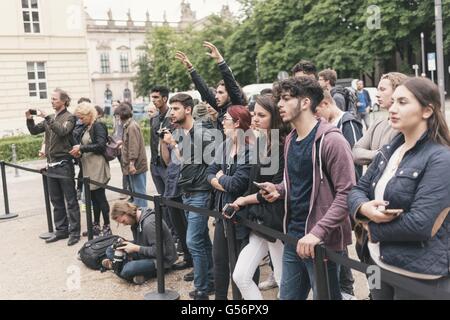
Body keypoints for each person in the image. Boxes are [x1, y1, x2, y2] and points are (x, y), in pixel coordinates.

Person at [347, 77, 450, 300]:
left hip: (417, 275)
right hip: (375, 263)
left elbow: (421, 224)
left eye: (402, 102)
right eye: (392, 102)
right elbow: (356, 190)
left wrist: (369, 229)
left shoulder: (441, 158)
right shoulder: (389, 150)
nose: (392, 108)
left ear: (427, 111)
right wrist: (363, 208)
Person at [259, 77, 355, 300]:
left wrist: (317, 233)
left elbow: (347, 193)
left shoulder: (332, 141)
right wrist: (279, 189)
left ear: (305, 102)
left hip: (322, 242)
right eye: (278, 99)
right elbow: (299, 183)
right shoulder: (291, 138)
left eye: (285, 99)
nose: (279, 105)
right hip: (294, 237)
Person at [230, 95, 290, 300]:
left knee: (284, 282)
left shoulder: (282, 146)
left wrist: (244, 200)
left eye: (261, 115)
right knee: (241, 275)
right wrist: (238, 202)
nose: (255, 119)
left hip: (277, 222)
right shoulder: (261, 142)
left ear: (274, 118)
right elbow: (252, 183)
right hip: (259, 220)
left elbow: (274, 190)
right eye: (254, 114)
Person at [161, 93, 215, 300]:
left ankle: (202, 288)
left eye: (175, 109)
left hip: (200, 192)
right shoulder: (182, 133)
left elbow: (212, 162)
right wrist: (173, 144)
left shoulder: (201, 132)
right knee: (201, 239)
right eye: (171, 109)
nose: (171, 113)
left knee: (193, 241)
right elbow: (184, 161)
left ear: (188, 109)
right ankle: (210, 280)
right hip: (188, 192)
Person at [207, 105, 254, 300]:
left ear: (237, 123)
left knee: (242, 265)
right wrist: (220, 179)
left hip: (243, 216)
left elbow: (236, 185)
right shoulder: (223, 146)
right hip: (222, 213)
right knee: (219, 261)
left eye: (225, 119)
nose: (221, 122)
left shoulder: (251, 150)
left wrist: (220, 177)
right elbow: (209, 173)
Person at [26, 88, 81, 246]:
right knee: (56, 200)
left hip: (64, 164)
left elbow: (63, 131)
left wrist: (48, 117)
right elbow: (34, 131)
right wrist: (29, 118)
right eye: (51, 99)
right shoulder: (51, 118)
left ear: (64, 101)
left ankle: (74, 233)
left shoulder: (70, 117)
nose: (52, 102)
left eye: (55, 99)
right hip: (51, 165)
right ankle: (61, 230)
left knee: (70, 201)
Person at [175, 41, 246, 131]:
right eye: (216, 92)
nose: (216, 96)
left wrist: (220, 61)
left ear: (230, 95)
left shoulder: (237, 106)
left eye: (221, 93)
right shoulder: (221, 109)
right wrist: (191, 69)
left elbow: (231, 85)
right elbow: (205, 92)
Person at [102, 201, 177, 284]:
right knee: (110, 249)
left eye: (123, 221)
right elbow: (143, 242)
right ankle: (121, 268)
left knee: (127, 269)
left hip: (162, 260)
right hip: (145, 253)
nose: (124, 224)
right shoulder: (136, 217)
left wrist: (135, 248)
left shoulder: (149, 224)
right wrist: (126, 243)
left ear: (126, 212)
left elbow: (160, 251)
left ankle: (117, 267)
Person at [70, 102, 111, 237]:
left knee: (100, 197)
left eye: (82, 117)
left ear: (89, 114)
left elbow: (101, 146)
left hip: (97, 166)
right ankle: (96, 225)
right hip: (88, 166)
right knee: (93, 199)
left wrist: (81, 148)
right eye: (79, 118)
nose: (80, 120)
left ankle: (106, 226)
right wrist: (79, 152)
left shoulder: (98, 125)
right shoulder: (87, 127)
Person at [353, 72, 408, 166]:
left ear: (398, 92)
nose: (377, 95)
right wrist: (379, 154)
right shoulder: (378, 122)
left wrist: (369, 155)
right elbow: (355, 152)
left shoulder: (407, 126)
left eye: (382, 90)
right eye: (378, 90)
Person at [316, 90, 363, 179]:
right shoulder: (326, 123)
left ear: (325, 104)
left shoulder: (348, 123)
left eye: (316, 111)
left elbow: (354, 158)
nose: (315, 115)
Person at [115, 103, 148, 208]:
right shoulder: (129, 125)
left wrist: (132, 163)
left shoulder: (131, 126)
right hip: (135, 165)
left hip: (137, 166)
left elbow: (134, 146)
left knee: (140, 195)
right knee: (137, 193)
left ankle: (143, 217)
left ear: (120, 115)